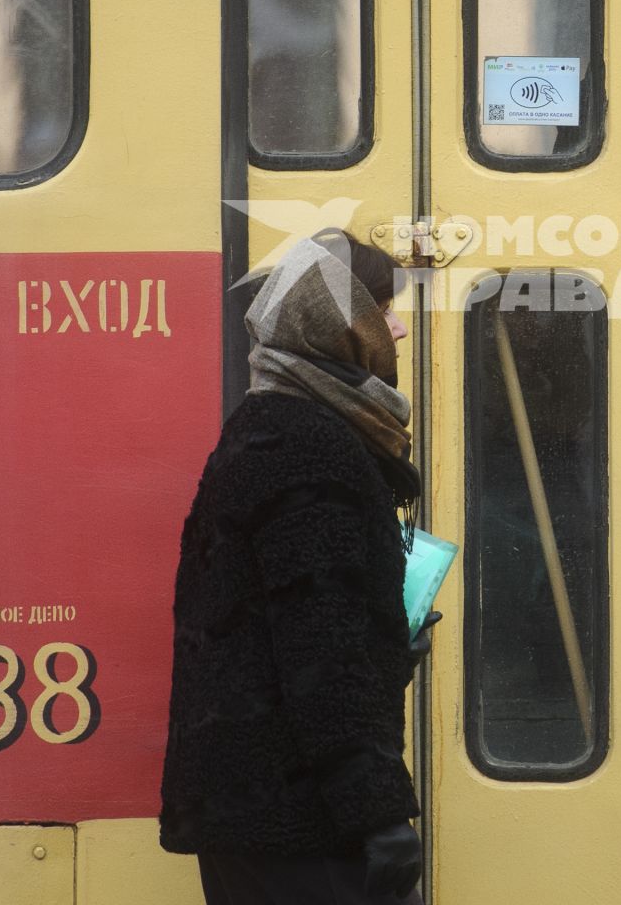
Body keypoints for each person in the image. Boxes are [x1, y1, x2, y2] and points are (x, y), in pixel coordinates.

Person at [161, 229, 437, 904]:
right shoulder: (314, 449)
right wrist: (377, 815)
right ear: (335, 323)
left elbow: (274, 629)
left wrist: (384, 640)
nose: (397, 329)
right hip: (300, 823)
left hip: (254, 809)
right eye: (380, 308)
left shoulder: (264, 426)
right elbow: (324, 655)